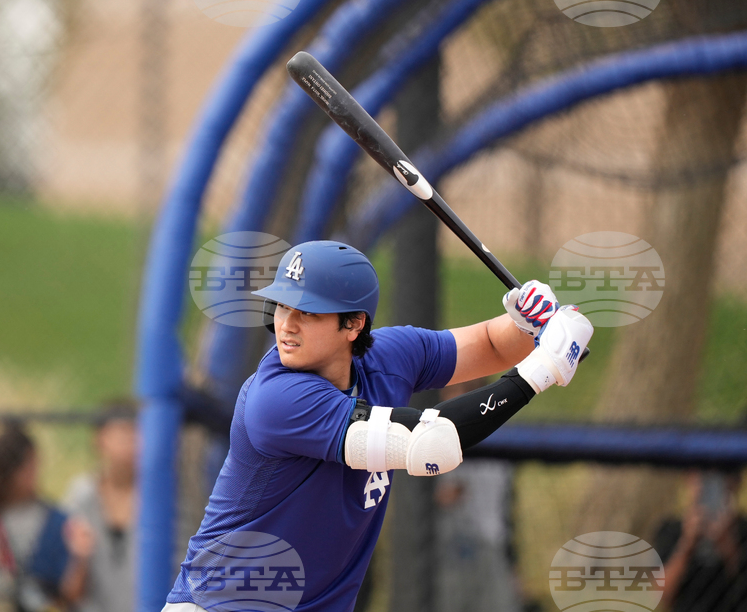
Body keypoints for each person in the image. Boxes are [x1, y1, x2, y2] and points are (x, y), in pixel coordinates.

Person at [164, 240, 594, 612]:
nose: (286, 324)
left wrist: (528, 322)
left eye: (307, 312)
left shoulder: (391, 356)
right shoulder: (276, 398)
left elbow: (488, 343)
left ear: (354, 324)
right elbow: (433, 445)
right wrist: (542, 368)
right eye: (281, 305)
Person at [0, 422, 91, 612]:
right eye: (29, 466)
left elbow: (71, 595)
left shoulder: (57, 522)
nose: (35, 473)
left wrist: (80, 558)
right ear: (8, 471)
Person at [434, 379, 522, 612]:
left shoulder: (493, 438)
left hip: (486, 547)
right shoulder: (436, 437)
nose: (445, 400)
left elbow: (505, 510)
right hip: (452, 551)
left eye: (453, 392)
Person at [62, 403, 138, 612]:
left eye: (136, 432)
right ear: (99, 439)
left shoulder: (161, 498)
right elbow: (69, 592)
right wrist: (80, 559)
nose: (131, 441)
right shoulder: (80, 496)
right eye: (122, 432)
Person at [654, 470, 747, 612]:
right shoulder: (670, 530)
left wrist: (729, 548)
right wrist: (687, 545)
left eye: (721, 475)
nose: (709, 484)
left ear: (737, 480)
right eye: (702, 474)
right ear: (688, 478)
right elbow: (661, 596)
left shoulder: (742, 530)